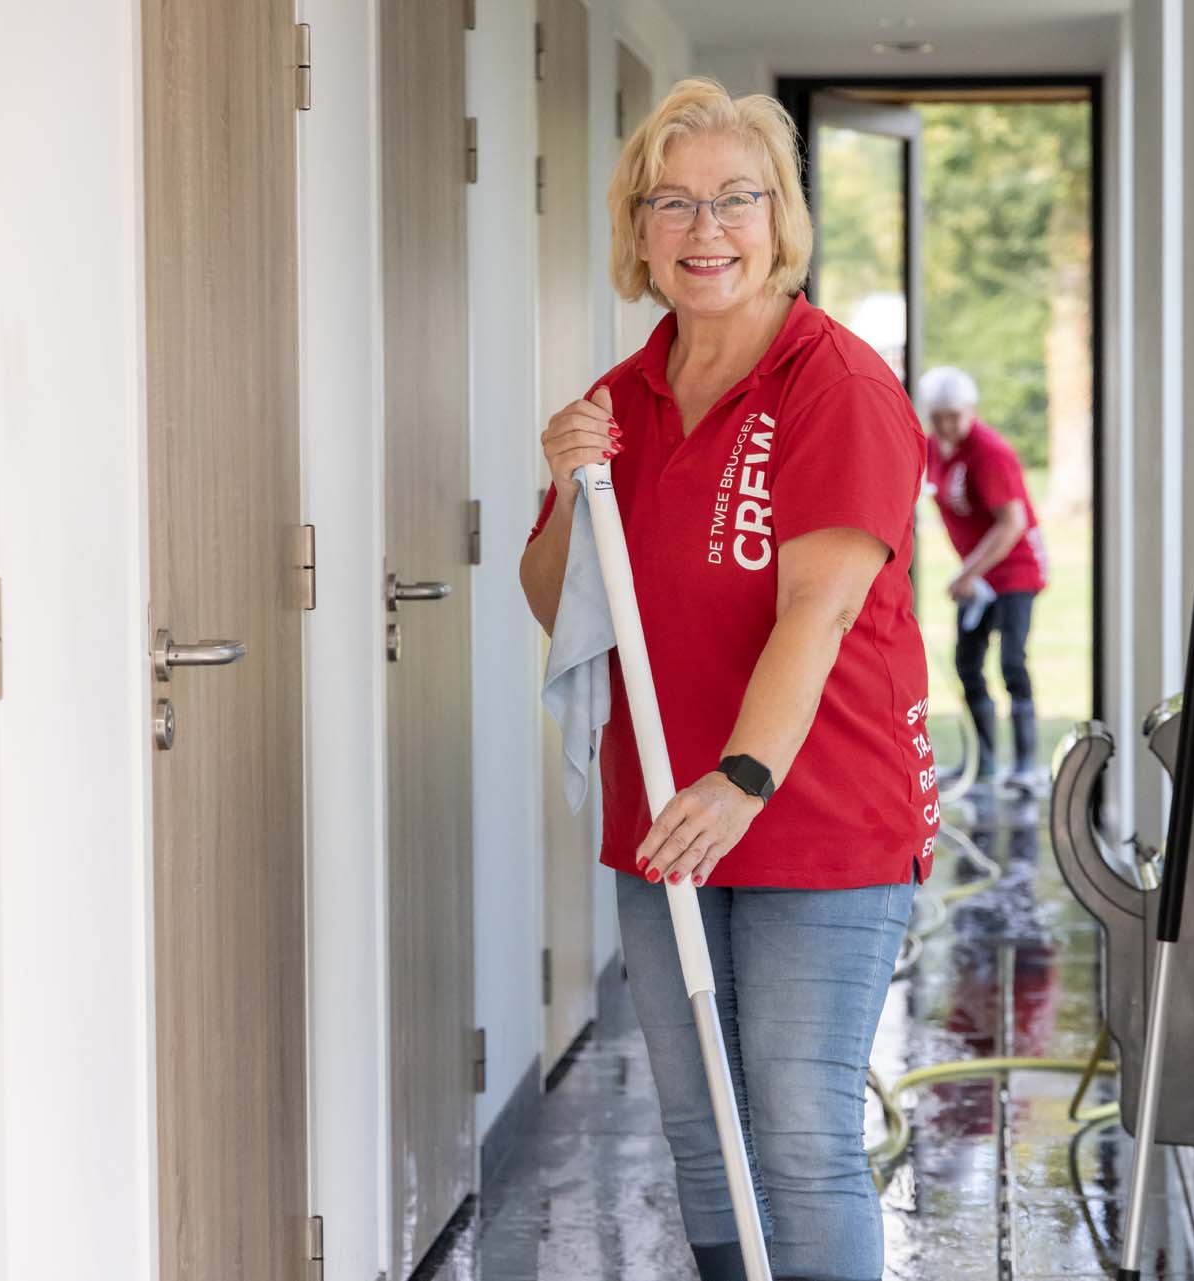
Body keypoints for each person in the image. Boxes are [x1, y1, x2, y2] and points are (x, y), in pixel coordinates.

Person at [519, 78, 937, 1281]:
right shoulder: (620, 402)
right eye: (674, 203)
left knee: (799, 1138)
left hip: (816, 813)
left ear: (781, 220)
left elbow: (819, 608)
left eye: (735, 200)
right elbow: (563, 608)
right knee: (705, 1133)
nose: (707, 230)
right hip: (666, 814)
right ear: (638, 231)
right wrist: (567, 481)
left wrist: (741, 778)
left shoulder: (836, 387)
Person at [916, 366, 1050, 796]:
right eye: (937, 416)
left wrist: (967, 571)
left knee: (1012, 662)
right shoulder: (936, 450)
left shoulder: (989, 452)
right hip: (976, 575)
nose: (946, 425)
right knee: (967, 664)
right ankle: (985, 763)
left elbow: (1011, 523)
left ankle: (1027, 765)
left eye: (954, 415)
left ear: (971, 410)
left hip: (1014, 569)